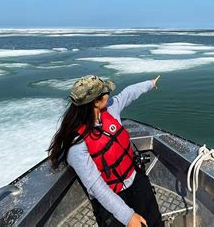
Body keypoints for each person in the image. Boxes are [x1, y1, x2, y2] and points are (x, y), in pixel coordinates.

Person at [48, 75, 164, 227]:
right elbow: (96, 187)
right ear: (95, 102)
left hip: (135, 180)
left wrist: (150, 84)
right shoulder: (76, 144)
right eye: (105, 92)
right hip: (110, 196)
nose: (109, 93)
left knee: (154, 222)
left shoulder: (110, 108)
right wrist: (128, 216)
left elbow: (128, 93)